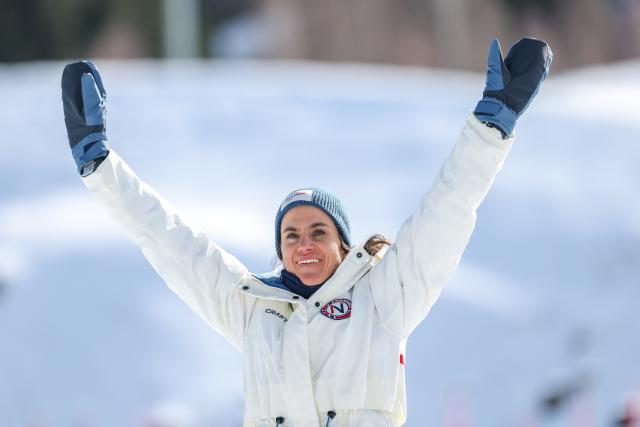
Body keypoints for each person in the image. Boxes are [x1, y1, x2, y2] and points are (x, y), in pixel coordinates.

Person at [61, 38, 552, 427]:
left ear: (343, 243)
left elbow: (447, 210)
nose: (304, 244)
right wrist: (100, 168)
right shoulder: (252, 311)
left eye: (318, 230)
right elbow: (168, 240)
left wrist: (490, 128)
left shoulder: (384, 297)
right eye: (291, 236)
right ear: (280, 250)